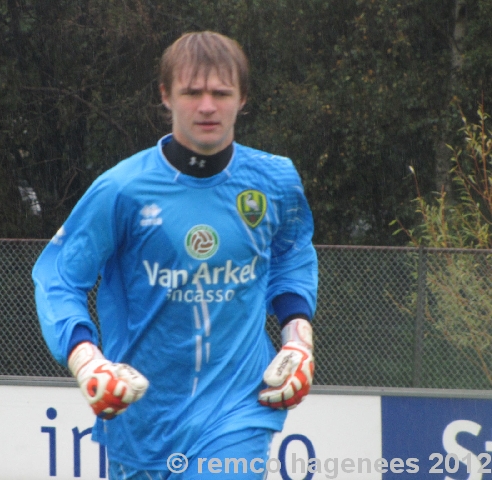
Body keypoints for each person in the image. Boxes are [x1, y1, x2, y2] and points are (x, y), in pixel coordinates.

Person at [32, 31, 318, 479]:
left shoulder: (275, 181)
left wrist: (298, 340)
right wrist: (85, 358)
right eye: (192, 92)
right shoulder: (121, 190)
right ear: (165, 96)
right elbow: (59, 278)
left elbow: (291, 256)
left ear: (243, 98)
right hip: (142, 421)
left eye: (221, 93)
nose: (207, 106)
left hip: (237, 411)